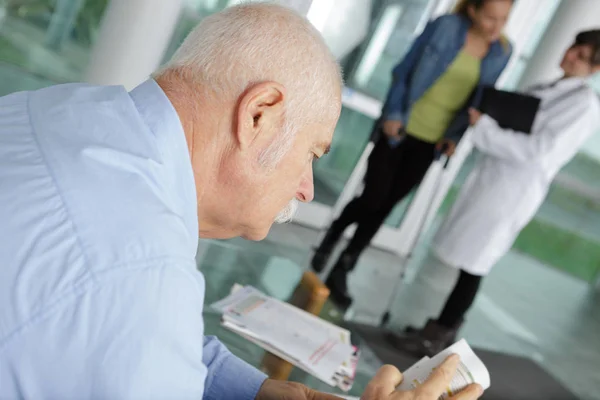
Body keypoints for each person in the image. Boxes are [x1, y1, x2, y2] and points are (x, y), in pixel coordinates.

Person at [0, 3, 484, 400]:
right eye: (312, 153)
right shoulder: (143, 275)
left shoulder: (55, 108)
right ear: (258, 115)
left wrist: (257, 391)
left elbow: (128, 341)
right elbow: (129, 311)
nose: (308, 189)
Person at [388, 29, 600, 358]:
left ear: (595, 69)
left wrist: (485, 127)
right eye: (574, 48)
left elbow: (539, 152)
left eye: (582, 57)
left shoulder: (583, 105)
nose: (571, 56)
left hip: (512, 191)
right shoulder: (549, 88)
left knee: (475, 265)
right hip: (494, 180)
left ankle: (438, 335)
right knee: (467, 262)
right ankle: (441, 330)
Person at [311, 0, 514, 309]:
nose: (495, 27)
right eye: (489, 18)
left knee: (386, 205)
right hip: (401, 127)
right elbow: (404, 70)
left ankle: (343, 267)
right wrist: (392, 113)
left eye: (502, 19)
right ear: (472, 10)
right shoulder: (445, 27)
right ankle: (335, 233)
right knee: (374, 197)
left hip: (433, 141)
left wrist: (454, 137)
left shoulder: (502, 51)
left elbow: (480, 99)